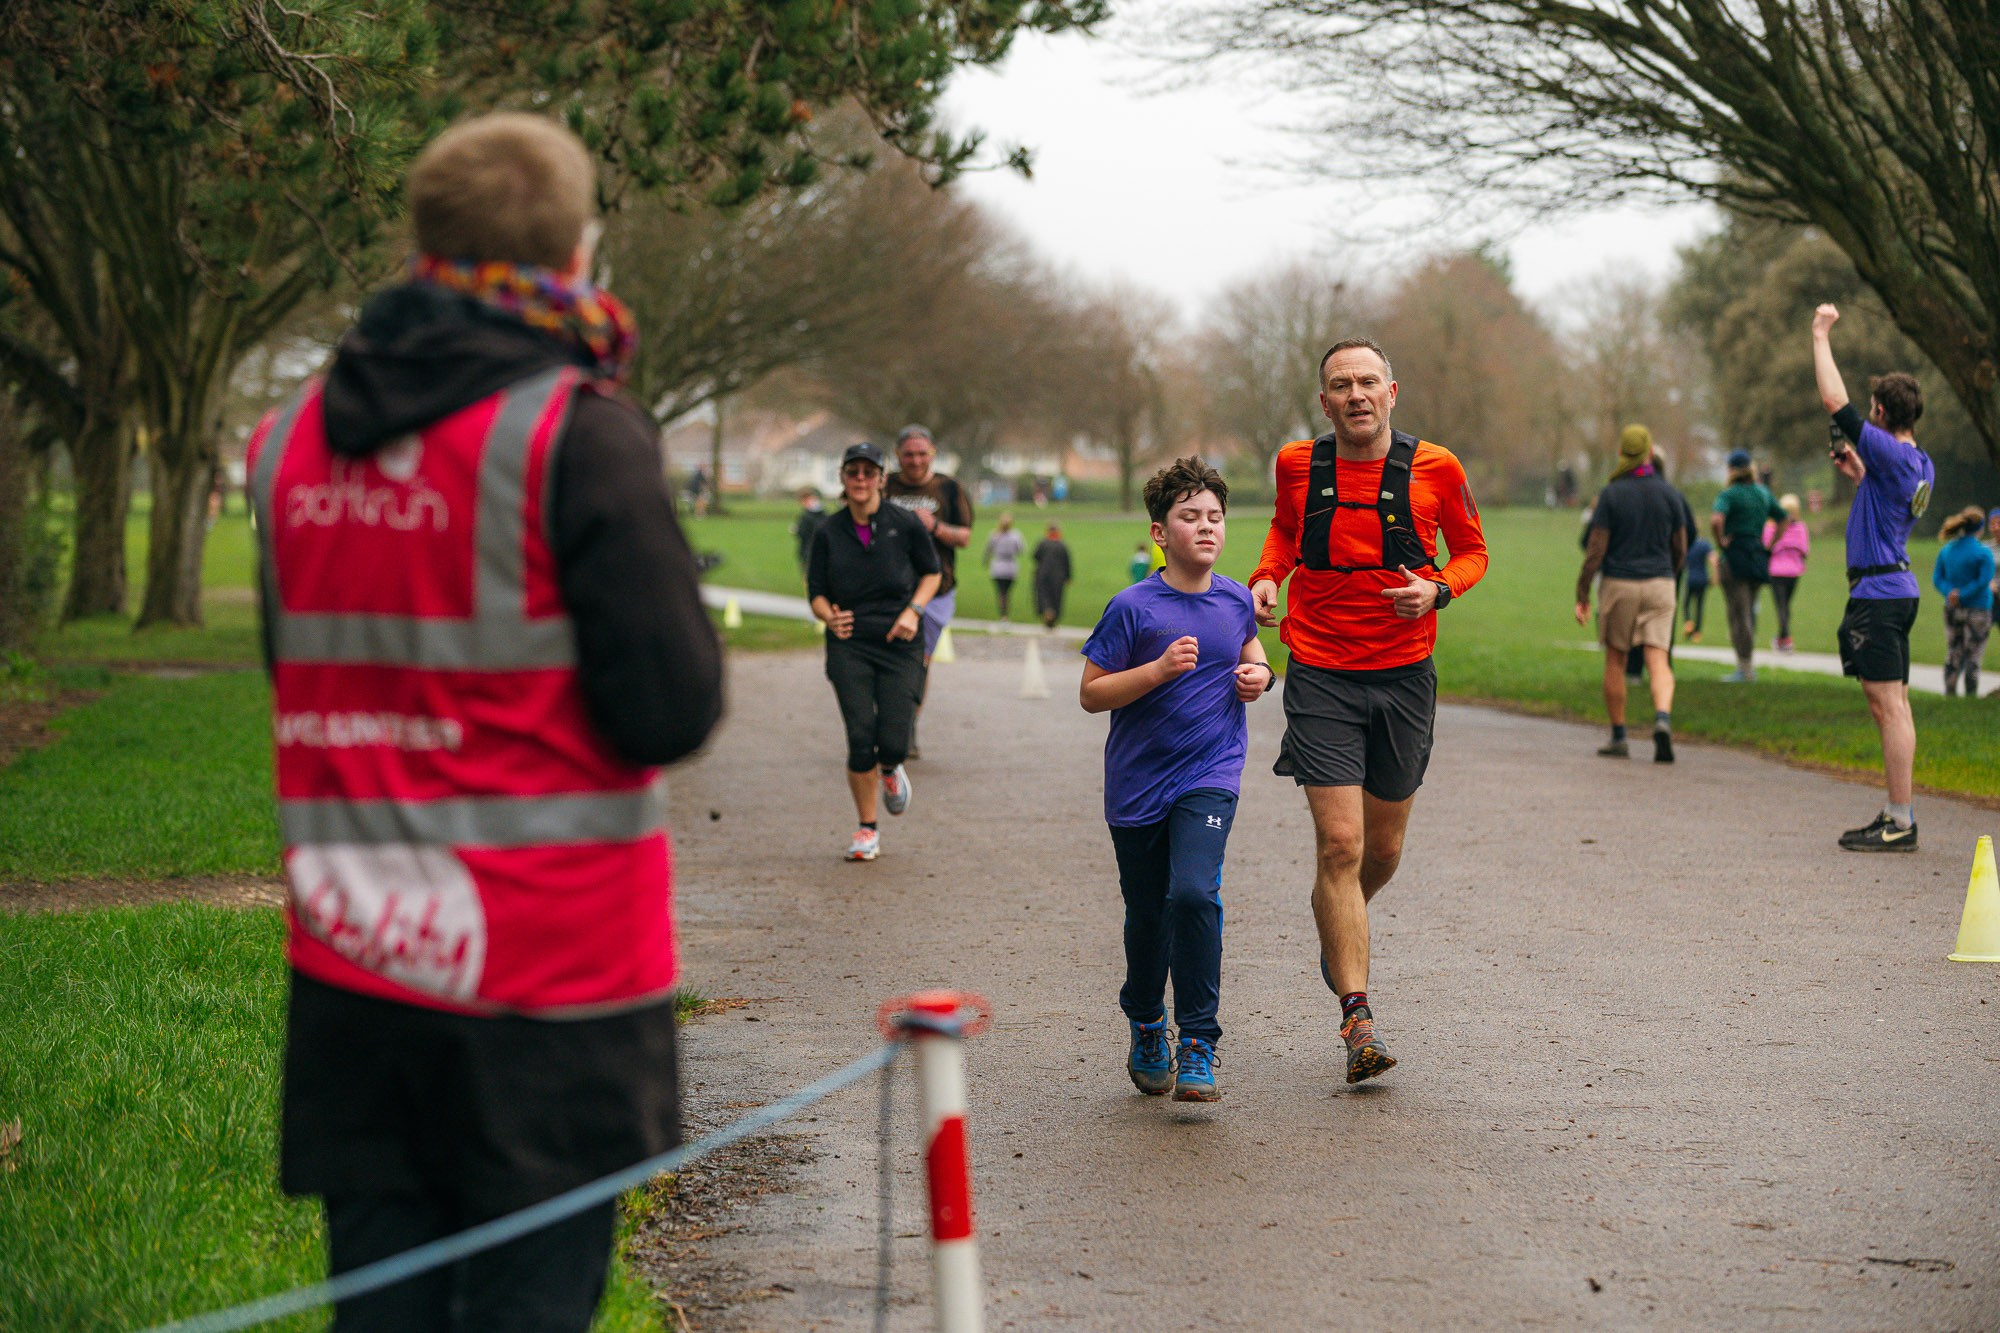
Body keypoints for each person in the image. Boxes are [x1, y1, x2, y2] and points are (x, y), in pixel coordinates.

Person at [245, 113, 724, 1333]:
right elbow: (669, 707)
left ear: (423, 241)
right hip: (549, 983)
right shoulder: (576, 434)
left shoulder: (286, 442)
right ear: (578, 250)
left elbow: (292, 667)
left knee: (384, 1310)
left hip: (358, 966)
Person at [1249, 337, 1488, 1085]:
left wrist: (1439, 588)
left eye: (1368, 382)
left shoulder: (1438, 467)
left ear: (1393, 392)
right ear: (1324, 402)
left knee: (1381, 853)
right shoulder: (1296, 464)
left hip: (1404, 674)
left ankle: (1337, 920)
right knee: (1342, 846)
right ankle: (1357, 1015)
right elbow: (1288, 531)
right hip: (1319, 668)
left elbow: (1474, 550)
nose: (1355, 394)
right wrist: (1266, 575)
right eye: (1340, 385)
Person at [1080, 457, 1272, 1103]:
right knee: (1146, 917)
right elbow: (1091, 693)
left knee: (1192, 893)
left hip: (1210, 772)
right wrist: (1157, 671)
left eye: (1215, 516)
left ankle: (1198, 1041)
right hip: (1137, 785)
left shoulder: (1236, 597)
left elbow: (1250, 648)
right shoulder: (1133, 607)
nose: (1206, 527)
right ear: (1161, 532)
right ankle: (1144, 1019)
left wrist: (1260, 675)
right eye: (1190, 516)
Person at [1812, 302, 1936, 851]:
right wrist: (1862, 472)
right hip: (1893, 588)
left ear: (1881, 412)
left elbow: (1834, 403)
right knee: (1893, 704)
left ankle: (1901, 822)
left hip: (1881, 595)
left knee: (1889, 707)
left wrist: (1820, 334)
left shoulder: (1889, 450)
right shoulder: (1916, 462)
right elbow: (1890, 507)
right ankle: (1896, 812)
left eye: (1871, 410)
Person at [807, 441, 941, 862]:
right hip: (849, 645)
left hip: (900, 642)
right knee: (860, 735)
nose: (861, 480)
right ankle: (867, 829)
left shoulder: (905, 524)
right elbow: (815, 593)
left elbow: (932, 574)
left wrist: (914, 612)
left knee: (893, 739)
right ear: (843, 480)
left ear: (882, 478)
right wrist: (829, 616)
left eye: (869, 472)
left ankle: (891, 767)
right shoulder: (827, 531)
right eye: (853, 473)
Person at [1574, 425, 1687, 763]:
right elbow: (1680, 546)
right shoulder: (1670, 494)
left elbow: (1596, 549)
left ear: (1623, 453)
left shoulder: (1611, 494)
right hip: (1661, 583)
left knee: (1616, 660)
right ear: (1650, 453)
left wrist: (1582, 592)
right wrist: (1670, 573)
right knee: (1658, 659)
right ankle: (1662, 720)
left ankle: (1619, 736)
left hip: (1620, 585)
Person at [884, 425, 973, 758]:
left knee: (919, 662)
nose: (915, 460)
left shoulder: (948, 489)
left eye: (922, 453)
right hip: (889, 590)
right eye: (908, 454)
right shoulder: (884, 485)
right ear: (897, 455)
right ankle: (892, 725)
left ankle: (905, 729)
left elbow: (964, 537)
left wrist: (933, 526)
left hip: (936, 590)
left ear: (932, 453)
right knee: (888, 660)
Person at [1710, 449, 1785, 681]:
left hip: (1734, 556)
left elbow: (1716, 520)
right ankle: (1746, 665)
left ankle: (1745, 668)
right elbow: (1782, 518)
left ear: (1731, 470)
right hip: (1757, 554)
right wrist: (1770, 545)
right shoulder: (1763, 493)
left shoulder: (1729, 495)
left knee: (1738, 613)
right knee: (1749, 611)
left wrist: (1720, 541)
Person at [1933, 506, 1995, 698]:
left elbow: (1938, 578)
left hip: (1952, 608)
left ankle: (1950, 691)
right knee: (1973, 653)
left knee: (1954, 650)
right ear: (1980, 528)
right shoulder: (1983, 553)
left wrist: (1951, 593)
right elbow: (1984, 580)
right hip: (1978, 608)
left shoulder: (1947, 550)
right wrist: (1964, 594)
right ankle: (1970, 694)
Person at [1764, 493, 1810, 653]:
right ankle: (1782, 638)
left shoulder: (1771, 528)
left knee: (1781, 606)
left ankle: (1786, 638)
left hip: (1776, 572)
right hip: (1794, 572)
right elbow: (1805, 551)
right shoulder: (1801, 528)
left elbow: (1766, 547)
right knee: (1785, 606)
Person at [984, 512, 1026, 619]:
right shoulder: (1015, 536)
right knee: (1006, 592)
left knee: (1001, 592)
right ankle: (1005, 614)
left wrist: (986, 561)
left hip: (998, 566)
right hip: (1010, 566)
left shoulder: (994, 535)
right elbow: (1021, 550)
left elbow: (988, 550)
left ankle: (1003, 614)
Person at [1033, 523, 1072, 628]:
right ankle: (1053, 617)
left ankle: (1047, 612)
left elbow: (1035, 556)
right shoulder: (1062, 545)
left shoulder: (1042, 544)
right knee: (1056, 597)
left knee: (1044, 595)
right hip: (1058, 576)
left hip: (1043, 574)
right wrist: (1068, 577)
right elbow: (1067, 562)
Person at [1682, 533, 1715, 641]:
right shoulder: (1705, 544)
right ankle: (1697, 633)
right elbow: (1713, 560)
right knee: (1699, 606)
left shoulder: (1688, 545)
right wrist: (1715, 577)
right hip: (1703, 579)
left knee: (1686, 603)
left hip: (1691, 579)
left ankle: (1688, 622)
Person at [791, 487, 826, 577]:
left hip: (809, 553)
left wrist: (795, 530)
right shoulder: (824, 514)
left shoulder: (806, 516)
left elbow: (802, 533)